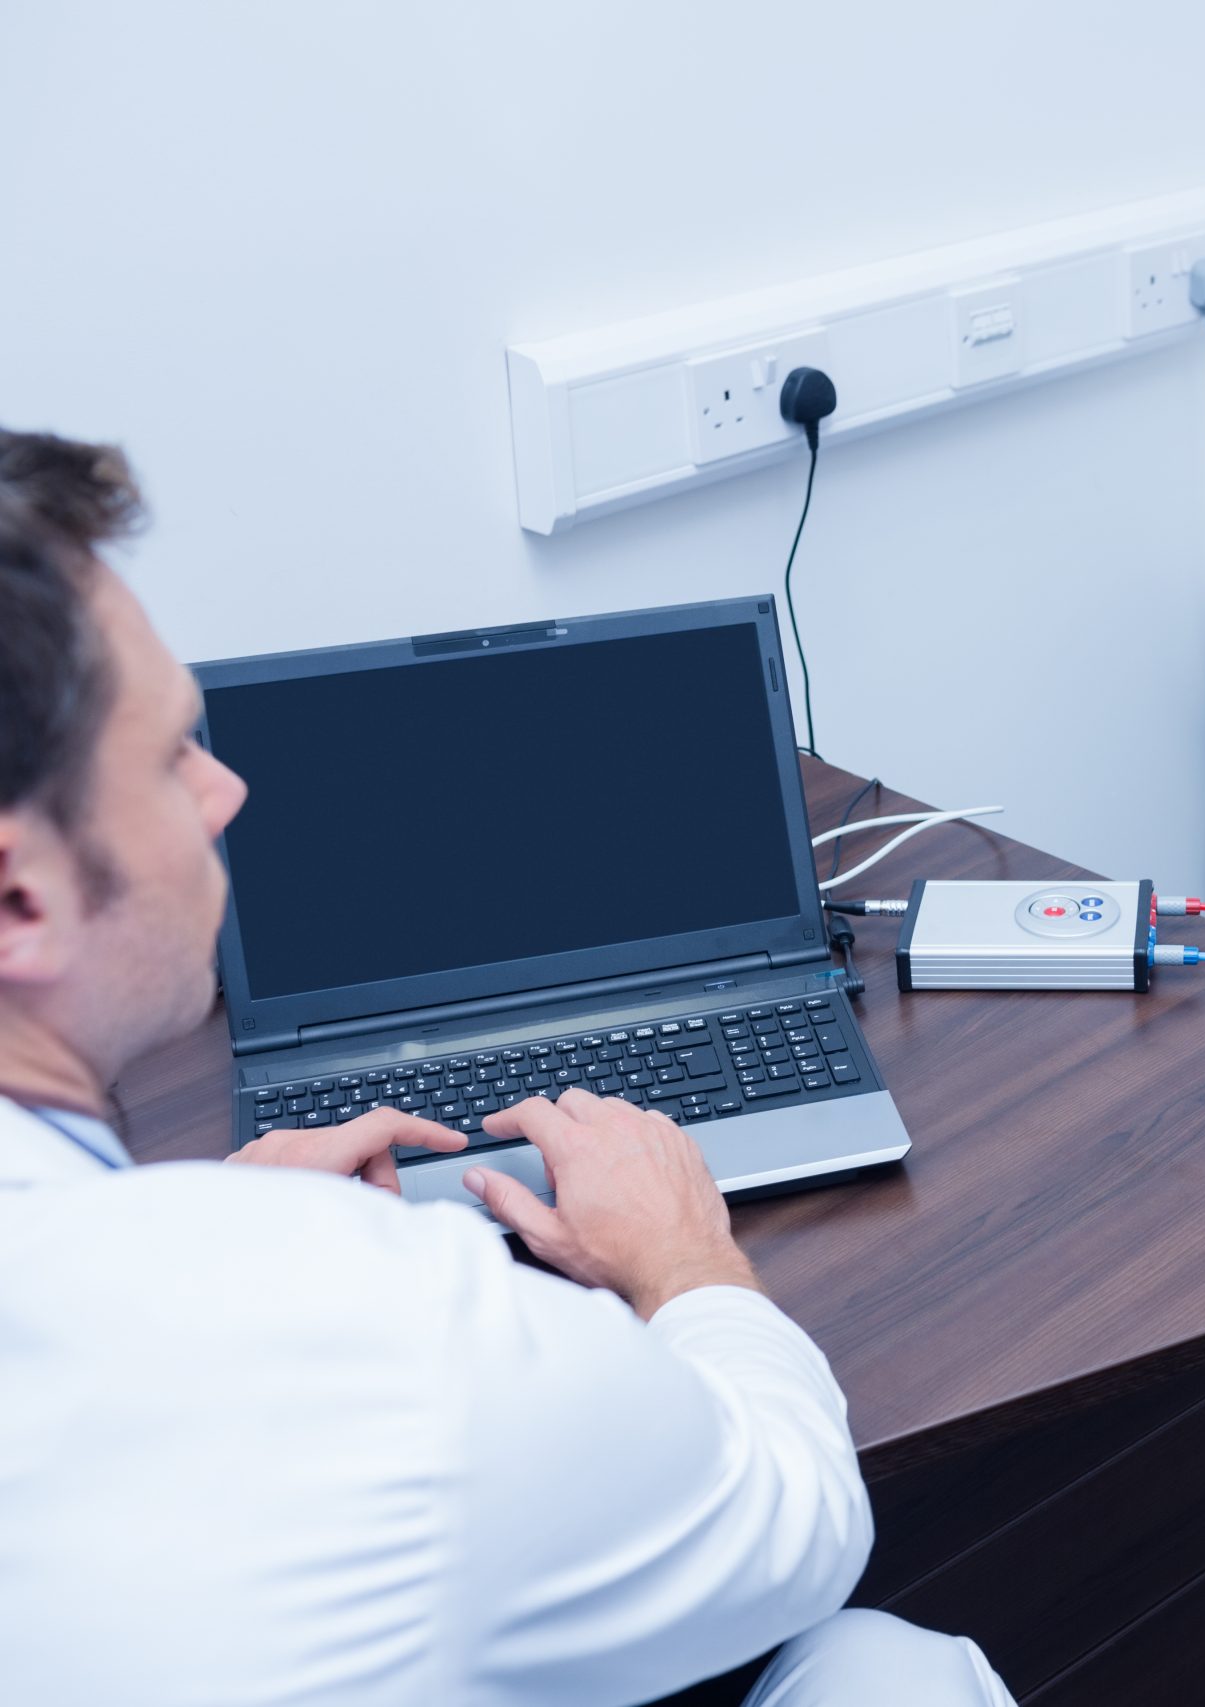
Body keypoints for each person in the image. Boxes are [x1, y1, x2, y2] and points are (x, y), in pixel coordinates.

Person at [0, 429, 1014, 1707]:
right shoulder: (388, 1325)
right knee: (890, 1669)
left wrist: (217, 1219)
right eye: (166, 759)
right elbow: (799, 1530)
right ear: (17, 899)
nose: (228, 791)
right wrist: (685, 1259)